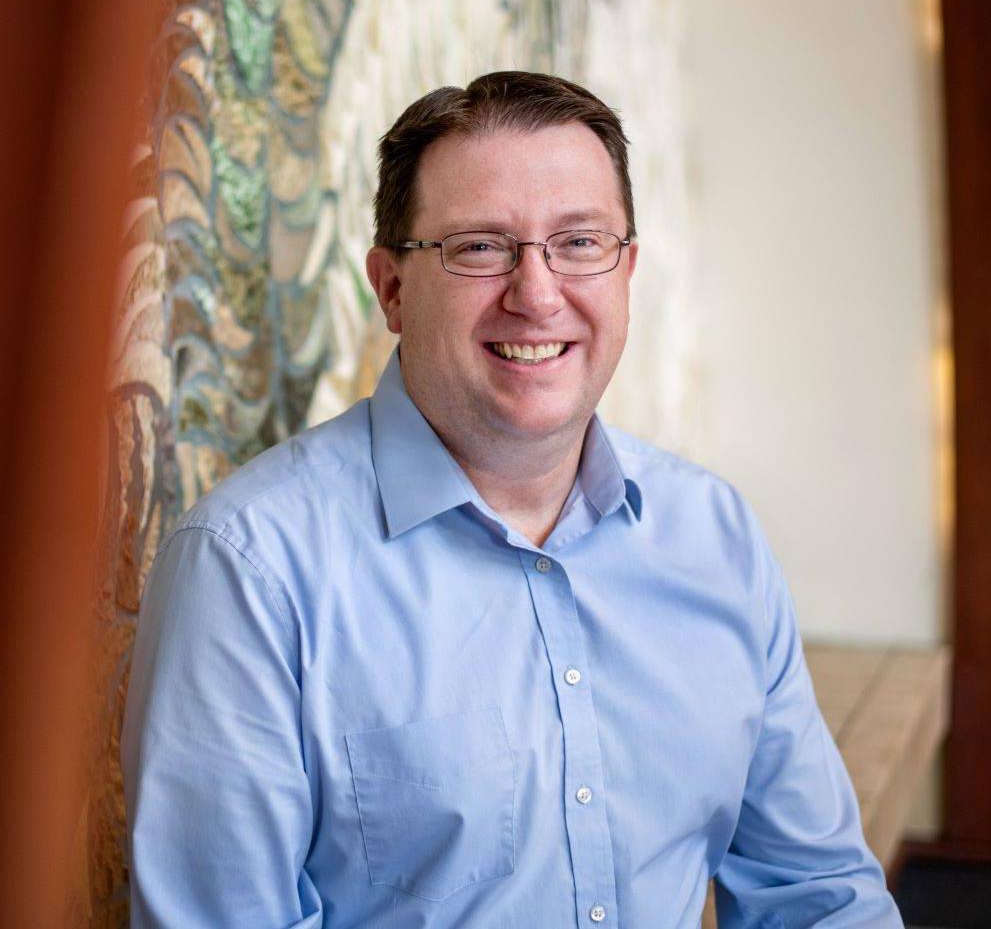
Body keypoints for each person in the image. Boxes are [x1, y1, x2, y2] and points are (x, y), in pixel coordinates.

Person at [122, 71, 903, 928]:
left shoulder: (714, 537)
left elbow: (819, 894)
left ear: (627, 272)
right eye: (480, 247)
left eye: (579, 243)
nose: (537, 294)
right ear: (390, 288)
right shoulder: (248, 570)